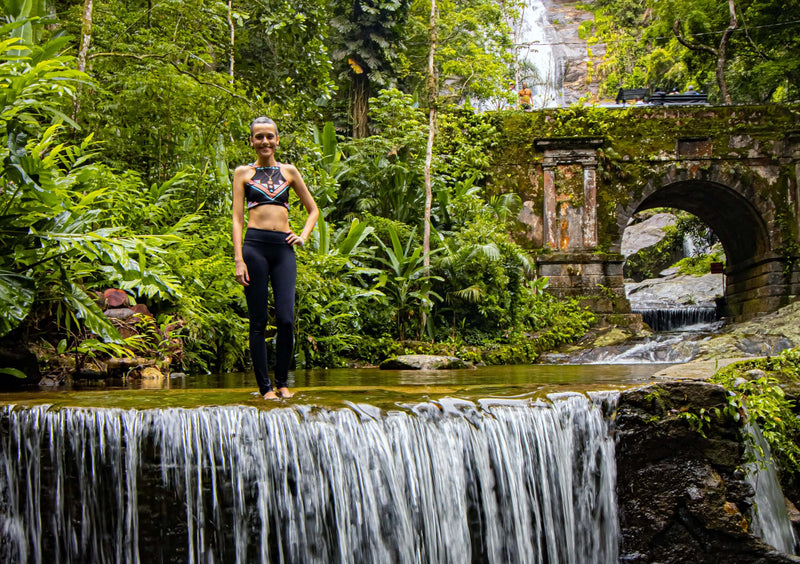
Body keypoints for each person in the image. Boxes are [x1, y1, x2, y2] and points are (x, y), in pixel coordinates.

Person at [232, 117, 319, 399]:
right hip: (254, 247)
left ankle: (282, 382)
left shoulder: (289, 171)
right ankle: (265, 387)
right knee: (257, 321)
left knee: (285, 319)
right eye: (259, 137)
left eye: (270, 136)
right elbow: (236, 218)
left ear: (277, 140)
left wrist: (302, 236)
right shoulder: (242, 173)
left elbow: (313, 210)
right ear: (252, 142)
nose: (265, 141)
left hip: (283, 248)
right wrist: (238, 259)